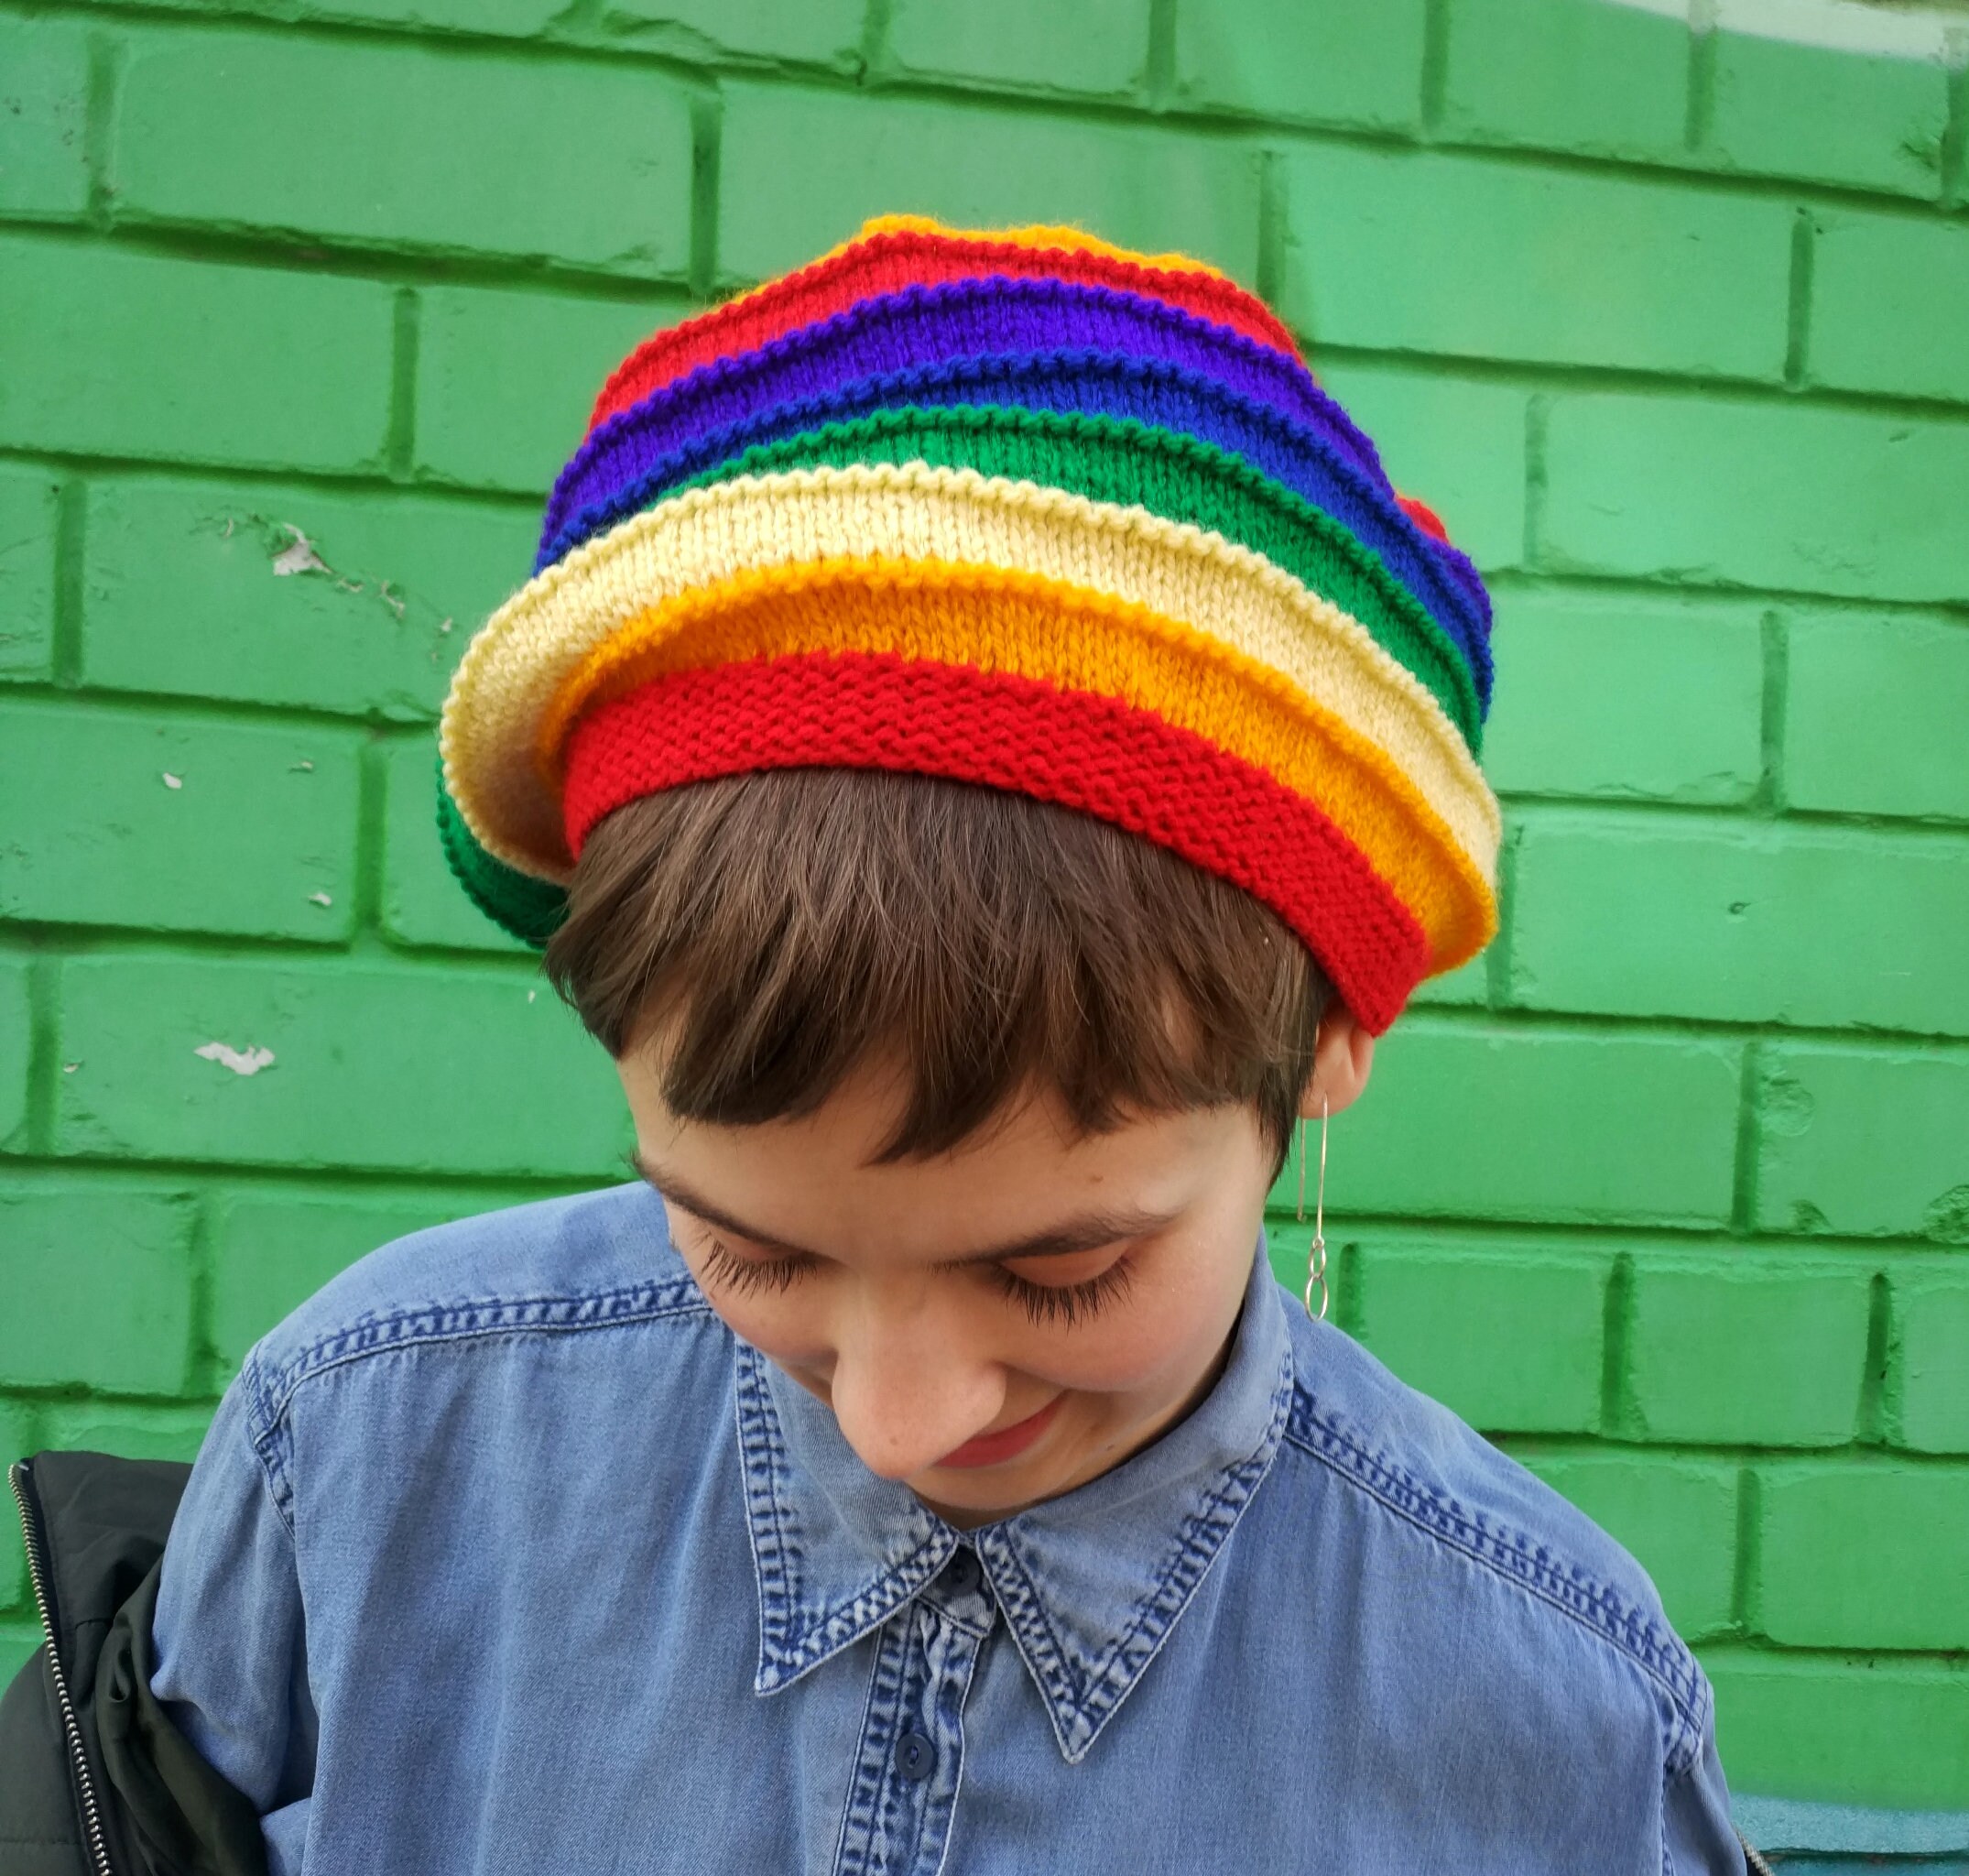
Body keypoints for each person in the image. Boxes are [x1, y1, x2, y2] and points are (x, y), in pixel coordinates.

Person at [143, 217, 1748, 1872]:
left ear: (1330, 1041)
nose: (901, 1421)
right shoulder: (363, 1447)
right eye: (750, 1252)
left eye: (1060, 1273)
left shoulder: (1558, 1717)